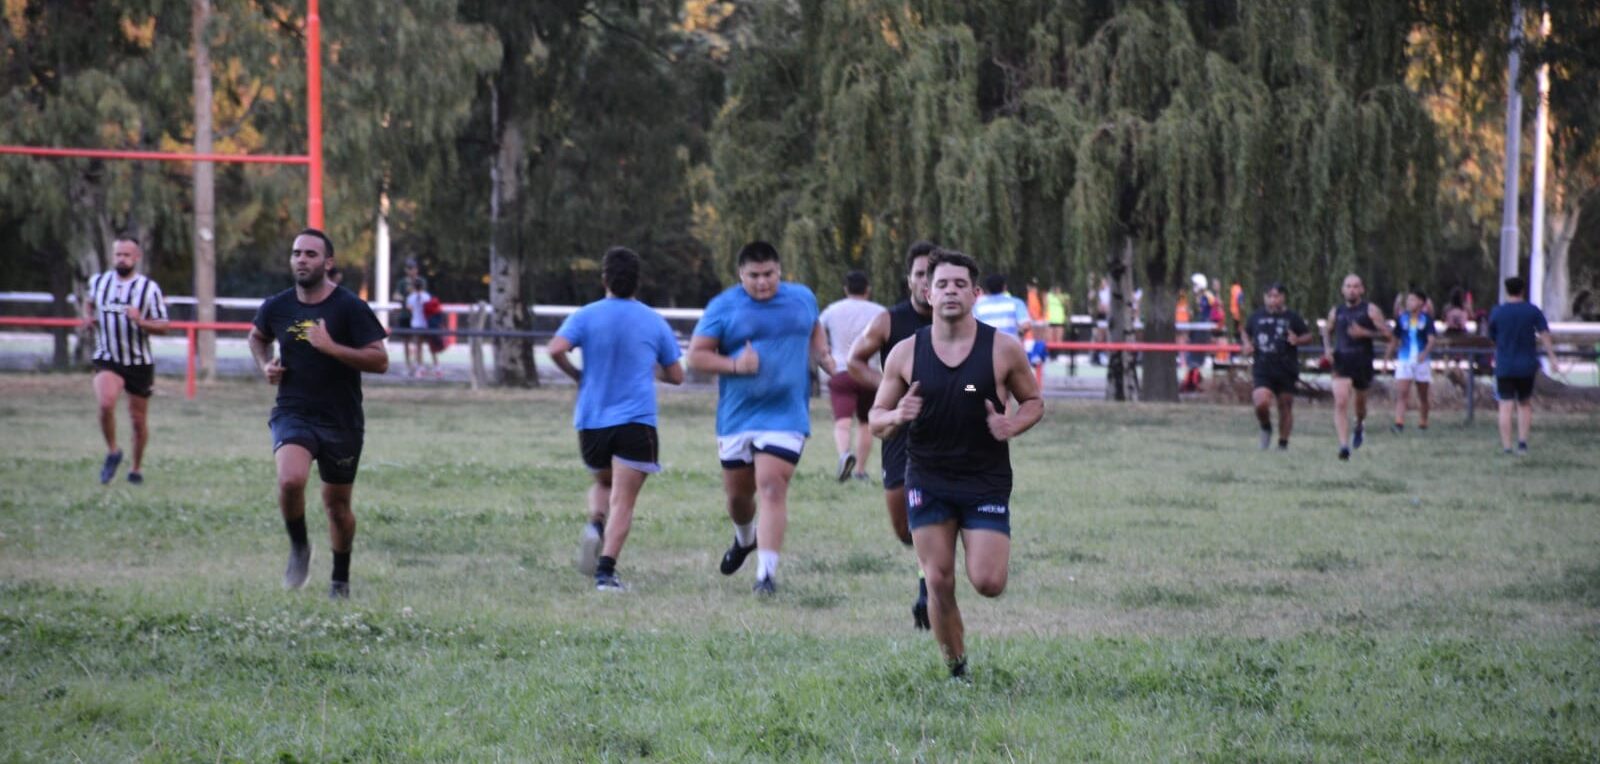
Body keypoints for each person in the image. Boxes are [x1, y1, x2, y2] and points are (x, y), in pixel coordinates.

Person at [869, 249, 1044, 680]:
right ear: (927, 293)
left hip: (984, 480)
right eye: (942, 284)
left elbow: (1035, 402)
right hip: (927, 477)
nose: (950, 291)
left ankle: (959, 650)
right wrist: (897, 416)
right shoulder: (905, 354)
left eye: (960, 284)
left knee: (988, 582)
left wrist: (1011, 425)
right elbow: (875, 419)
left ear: (976, 293)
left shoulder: (1002, 349)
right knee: (939, 580)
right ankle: (957, 669)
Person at [248, 229, 389, 599]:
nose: (301, 260)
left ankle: (340, 580)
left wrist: (332, 347)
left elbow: (380, 360)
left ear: (327, 263)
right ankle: (299, 547)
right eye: (296, 253)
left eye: (311, 254)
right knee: (290, 480)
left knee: (337, 507)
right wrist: (265, 366)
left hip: (341, 420)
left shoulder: (349, 308)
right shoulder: (277, 306)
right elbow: (257, 337)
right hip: (294, 411)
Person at [687, 241, 834, 596]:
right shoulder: (723, 307)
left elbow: (813, 327)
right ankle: (744, 539)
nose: (763, 283)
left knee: (771, 486)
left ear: (779, 271)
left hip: (786, 414)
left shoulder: (802, 298)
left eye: (769, 274)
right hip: (738, 417)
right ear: (741, 275)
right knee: (739, 497)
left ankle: (765, 576)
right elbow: (696, 357)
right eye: (754, 276)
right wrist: (736, 365)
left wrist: (823, 355)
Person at [549, 246, 685, 591]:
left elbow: (554, 349)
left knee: (603, 483)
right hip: (636, 421)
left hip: (592, 421)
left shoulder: (585, 315)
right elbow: (677, 375)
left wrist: (577, 375)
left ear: (604, 278)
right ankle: (606, 573)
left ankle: (595, 523)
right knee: (623, 500)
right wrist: (648, 368)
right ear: (638, 282)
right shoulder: (653, 320)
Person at [847, 240, 936, 628]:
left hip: (942, 433)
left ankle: (927, 589)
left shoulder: (960, 323)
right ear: (910, 280)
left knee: (927, 514)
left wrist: (964, 394)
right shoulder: (888, 321)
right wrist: (889, 389)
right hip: (897, 429)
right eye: (921, 274)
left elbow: (982, 379)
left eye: (935, 276)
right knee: (903, 526)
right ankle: (929, 569)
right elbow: (853, 361)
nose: (928, 283)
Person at [82, 235, 170, 485]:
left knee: (138, 420)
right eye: (118, 254)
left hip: (138, 362)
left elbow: (164, 326)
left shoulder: (148, 288)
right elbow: (88, 304)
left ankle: (136, 468)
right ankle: (113, 451)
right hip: (107, 357)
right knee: (106, 402)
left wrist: (140, 320)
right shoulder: (98, 282)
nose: (121, 259)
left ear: (137, 258)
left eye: (126, 255)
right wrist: (88, 318)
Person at [818, 270, 886, 482]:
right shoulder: (880, 312)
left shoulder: (832, 310)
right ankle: (860, 470)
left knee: (842, 421)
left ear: (845, 289)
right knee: (866, 422)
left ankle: (844, 454)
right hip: (869, 372)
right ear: (868, 289)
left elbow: (817, 333)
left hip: (841, 370)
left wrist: (826, 356)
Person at [1322, 273, 1392, 461]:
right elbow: (1326, 331)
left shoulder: (1370, 310)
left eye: (1355, 286)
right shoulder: (1336, 311)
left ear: (1361, 289)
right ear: (1342, 289)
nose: (1352, 290)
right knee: (1341, 401)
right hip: (1341, 360)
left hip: (1362, 361)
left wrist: (1365, 333)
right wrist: (1328, 348)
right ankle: (1344, 446)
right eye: (1348, 286)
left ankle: (1359, 424)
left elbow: (1388, 336)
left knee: (1360, 405)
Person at [1487, 277, 1560, 455]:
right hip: (1526, 365)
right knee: (1524, 403)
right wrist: (1552, 357)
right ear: (1523, 290)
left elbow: (1491, 335)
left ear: (1507, 291)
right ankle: (1522, 443)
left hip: (1504, 365)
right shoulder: (1532, 311)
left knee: (1505, 405)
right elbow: (1544, 333)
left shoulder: (1498, 312)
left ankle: (1506, 446)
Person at [1240, 283, 1314, 450]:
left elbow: (1308, 336)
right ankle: (1266, 426)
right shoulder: (1256, 316)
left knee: (1285, 405)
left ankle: (1283, 444)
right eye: (1270, 296)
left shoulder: (1292, 317)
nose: (1273, 300)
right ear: (1265, 297)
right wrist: (1246, 344)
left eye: (1276, 296)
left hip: (1286, 367)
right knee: (1260, 402)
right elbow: (1245, 332)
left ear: (1283, 297)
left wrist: (1298, 340)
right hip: (1263, 367)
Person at [1386, 287, 1438, 433]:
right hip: (1404, 359)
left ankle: (1423, 422)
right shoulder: (1402, 319)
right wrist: (1387, 357)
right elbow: (1395, 339)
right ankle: (1399, 423)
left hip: (1422, 361)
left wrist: (1425, 353)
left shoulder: (1426, 320)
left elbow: (1431, 340)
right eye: (1408, 300)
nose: (1409, 303)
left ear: (1421, 302)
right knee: (1402, 392)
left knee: (1423, 394)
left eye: (1413, 299)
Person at [402, 277, 440, 377]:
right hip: (426, 324)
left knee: (419, 347)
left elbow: (410, 309)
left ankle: (420, 368)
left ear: (414, 286)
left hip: (416, 325)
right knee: (432, 347)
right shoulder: (427, 296)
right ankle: (437, 367)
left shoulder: (410, 297)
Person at [1046, 284, 1068, 356]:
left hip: (1059, 320)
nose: (1056, 289)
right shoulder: (1048, 296)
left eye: (1058, 288)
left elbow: (1067, 306)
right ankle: (1050, 355)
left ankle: (1057, 355)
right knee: (1050, 339)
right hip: (1050, 320)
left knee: (1058, 340)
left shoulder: (1064, 297)